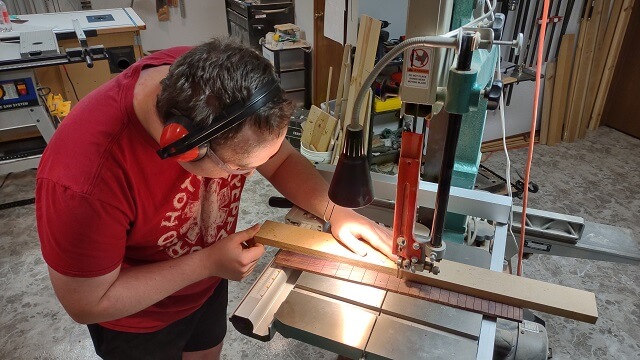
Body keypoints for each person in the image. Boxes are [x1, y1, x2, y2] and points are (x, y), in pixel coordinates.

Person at [35, 38, 394, 360]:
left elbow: (280, 158)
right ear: (182, 147)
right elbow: (88, 303)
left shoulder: (209, 81)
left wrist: (337, 212)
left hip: (206, 285)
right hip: (136, 321)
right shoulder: (83, 180)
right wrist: (205, 264)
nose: (251, 175)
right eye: (239, 168)